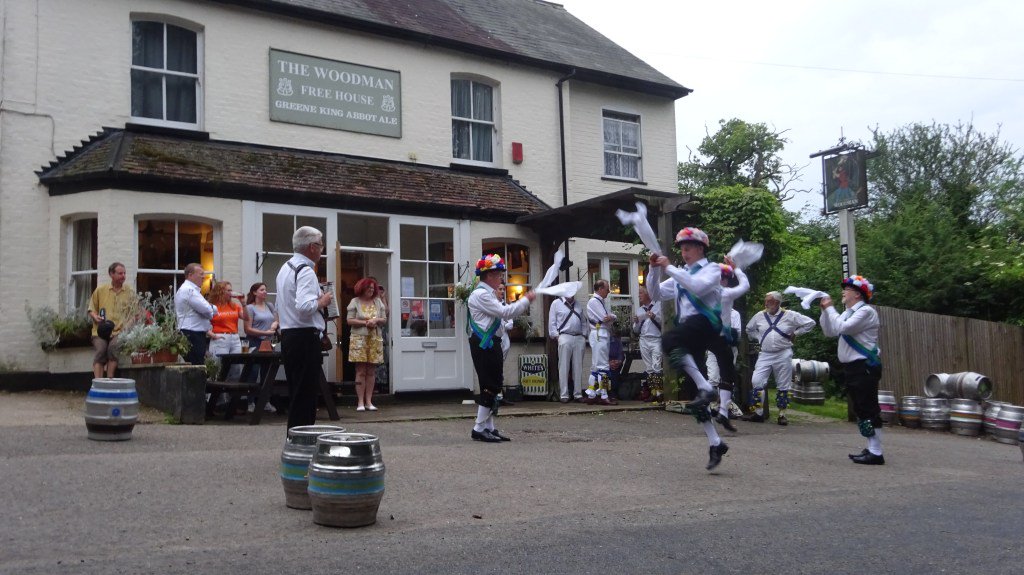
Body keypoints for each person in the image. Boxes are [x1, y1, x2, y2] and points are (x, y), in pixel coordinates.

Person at [647, 227, 735, 471]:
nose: (684, 253)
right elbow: (654, 294)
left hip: (706, 324)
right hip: (689, 330)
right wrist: (653, 270)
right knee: (696, 398)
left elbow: (696, 287)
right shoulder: (680, 274)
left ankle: (707, 387)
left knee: (668, 341)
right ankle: (715, 442)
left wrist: (669, 268)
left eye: (688, 248)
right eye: (682, 249)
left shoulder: (713, 269)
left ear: (700, 248)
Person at [467, 254, 535, 443]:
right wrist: (526, 300)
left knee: (491, 384)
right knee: (491, 385)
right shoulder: (481, 295)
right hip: (485, 343)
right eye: (499, 275)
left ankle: (489, 427)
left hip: (489, 343)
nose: (501, 278)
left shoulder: (486, 294)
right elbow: (505, 312)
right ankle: (478, 428)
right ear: (489, 276)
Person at [819, 275, 885, 465]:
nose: (843, 292)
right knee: (861, 408)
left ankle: (876, 452)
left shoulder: (866, 312)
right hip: (853, 367)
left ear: (857, 294)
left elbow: (843, 328)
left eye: (846, 290)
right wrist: (825, 312)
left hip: (864, 366)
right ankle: (872, 448)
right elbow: (830, 331)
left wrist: (830, 308)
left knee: (868, 408)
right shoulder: (849, 312)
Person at [276, 226, 334, 430]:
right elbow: (303, 306)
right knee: (306, 396)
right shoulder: (306, 271)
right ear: (311, 247)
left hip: (289, 335)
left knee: (297, 394)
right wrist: (323, 301)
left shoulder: (285, 268)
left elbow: (283, 305)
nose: (322, 249)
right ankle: (303, 446)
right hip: (304, 337)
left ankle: (295, 445)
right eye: (320, 245)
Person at [745, 291, 817, 425]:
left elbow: (810, 323)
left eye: (769, 301)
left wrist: (796, 333)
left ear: (777, 303)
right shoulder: (759, 316)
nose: (766, 303)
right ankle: (758, 413)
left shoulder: (790, 315)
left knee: (783, 384)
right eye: (766, 301)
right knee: (757, 381)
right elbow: (749, 329)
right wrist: (759, 337)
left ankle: (782, 415)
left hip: (783, 353)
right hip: (765, 354)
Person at [708, 261, 748, 424]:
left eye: (724, 279)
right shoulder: (708, 303)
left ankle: (723, 407)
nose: (721, 282)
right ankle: (712, 406)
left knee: (726, 378)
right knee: (712, 377)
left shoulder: (734, 313)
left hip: (728, 347)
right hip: (712, 346)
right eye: (719, 279)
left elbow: (737, 334)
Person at [87, 262, 135, 378]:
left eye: (124, 273)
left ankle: (109, 380)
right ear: (111, 274)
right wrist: (95, 317)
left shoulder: (130, 292)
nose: (123, 276)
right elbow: (91, 310)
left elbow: (134, 315)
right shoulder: (100, 290)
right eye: (120, 273)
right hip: (100, 331)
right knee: (101, 350)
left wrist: (125, 329)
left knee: (113, 348)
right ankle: (98, 383)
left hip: (119, 332)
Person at [347, 277, 386, 411]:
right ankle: (360, 402)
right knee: (360, 370)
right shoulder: (355, 302)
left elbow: (384, 319)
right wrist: (365, 323)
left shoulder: (378, 302)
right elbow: (349, 320)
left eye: (372, 288)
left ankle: (369, 401)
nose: (371, 290)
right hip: (359, 339)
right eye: (368, 287)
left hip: (374, 339)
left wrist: (376, 321)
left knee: (371, 371)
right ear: (361, 288)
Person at [242, 282, 278, 413]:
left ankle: (265, 401)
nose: (265, 292)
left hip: (268, 343)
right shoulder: (251, 308)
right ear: (254, 292)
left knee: (267, 373)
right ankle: (250, 402)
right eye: (262, 290)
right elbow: (248, 329)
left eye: (265, 290)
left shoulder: (270, 305)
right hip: (254, 342)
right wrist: (265, 332)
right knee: (253, 371)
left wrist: (274, 325)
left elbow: (276, 319)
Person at [548, 293, 587, 402]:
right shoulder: (556, 303)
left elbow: (583, 322)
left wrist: (584, 335)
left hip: (578, 337)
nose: (572, 295)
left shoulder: (578, 305)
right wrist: (557, 336)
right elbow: (552, 322)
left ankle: (578, 394)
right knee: (564, 366)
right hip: (564, 336)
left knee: (578, 367)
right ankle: (564, 395)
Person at [175, 263, 217, 366]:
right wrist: (212, 308)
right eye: (201, 274)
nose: (203, 277)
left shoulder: (191, 290)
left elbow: (207, 309)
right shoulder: (189, 290)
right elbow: (208, 310)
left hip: (193, 333)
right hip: (192, 334)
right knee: (196, 367)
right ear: (190, 275)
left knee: (195, 366)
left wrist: (209, 308)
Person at [206, 281, 249, 381]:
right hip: (220, 337)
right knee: (218, 368)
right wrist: (212, 335)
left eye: (231, 290)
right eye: (228, 290)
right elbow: (202, 323)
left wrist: (244, 304)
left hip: (235, 338)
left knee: (236, 368)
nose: (231, 292)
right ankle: (216, 395)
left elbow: (246, 318)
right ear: (220, 291)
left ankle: (232, 395)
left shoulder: (234, 306)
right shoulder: (212, 306)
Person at [584, 279, 617, 405]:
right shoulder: (594, 301)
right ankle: (603, 395)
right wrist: (612, 317)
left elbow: (610, 316)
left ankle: (592, 394)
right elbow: (605, 318)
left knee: (596, 365)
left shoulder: (600, 301)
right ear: (600, 289)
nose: (608, 291)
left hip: (600, 333)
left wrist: (612, 316)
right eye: (607, 289)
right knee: (603, 365)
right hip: (600, 333)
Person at [633, 287, 663, 403]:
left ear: (648, 294)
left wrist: (655, 316)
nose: (639, 295)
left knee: (656, 366)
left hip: (656, 339)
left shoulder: (658, 306)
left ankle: (660, 393)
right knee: (649, 367)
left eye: (641, 293)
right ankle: (653, 393)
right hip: (643, 339)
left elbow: (663, 322)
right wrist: (636, 322)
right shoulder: (640, 310)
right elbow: (636, 330)